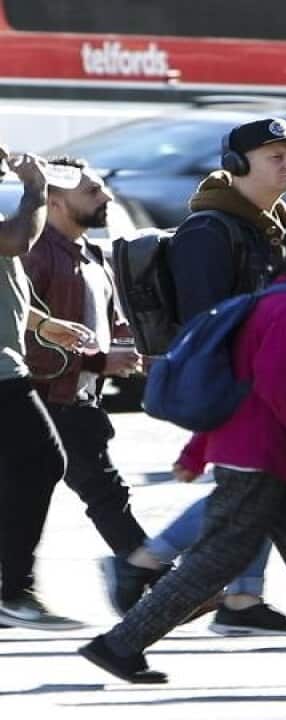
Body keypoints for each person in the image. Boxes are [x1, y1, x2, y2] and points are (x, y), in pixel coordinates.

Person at [79, 213, 286, 686]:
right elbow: (279, 389)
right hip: (263, 457)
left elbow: (241, 385)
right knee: (218, 561)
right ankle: (120, 645)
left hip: (274, 455)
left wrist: (202, 450)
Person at [103, 117, 286, 636]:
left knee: (265, 486)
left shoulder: (284, 226)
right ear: (237, 165)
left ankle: (241, 600)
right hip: (237, 383)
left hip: (277, 379)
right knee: (256, 487)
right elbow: (209, 321)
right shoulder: (211, 230)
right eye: (276, 157)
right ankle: (146, 562)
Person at [21, 157, 150, 578]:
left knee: (97, 492)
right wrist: (97, 360)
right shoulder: (35, 256)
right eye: (91, 191)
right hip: (43, 400)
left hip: (80, 398)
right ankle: (152, 576)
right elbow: (24, 336)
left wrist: (136, 349)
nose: (106, 196)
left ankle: (143, 575)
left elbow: (105, 323)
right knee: (102, 491)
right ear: (54, 202)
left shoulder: (91, 254)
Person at [0, 148, 87, 630]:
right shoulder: (15, 214)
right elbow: (15, 241)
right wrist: (36, 189)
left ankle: (12, 586)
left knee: (24, 468)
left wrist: (43, 325)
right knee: (42, 460)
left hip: (7, 363)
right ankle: (13, 591)